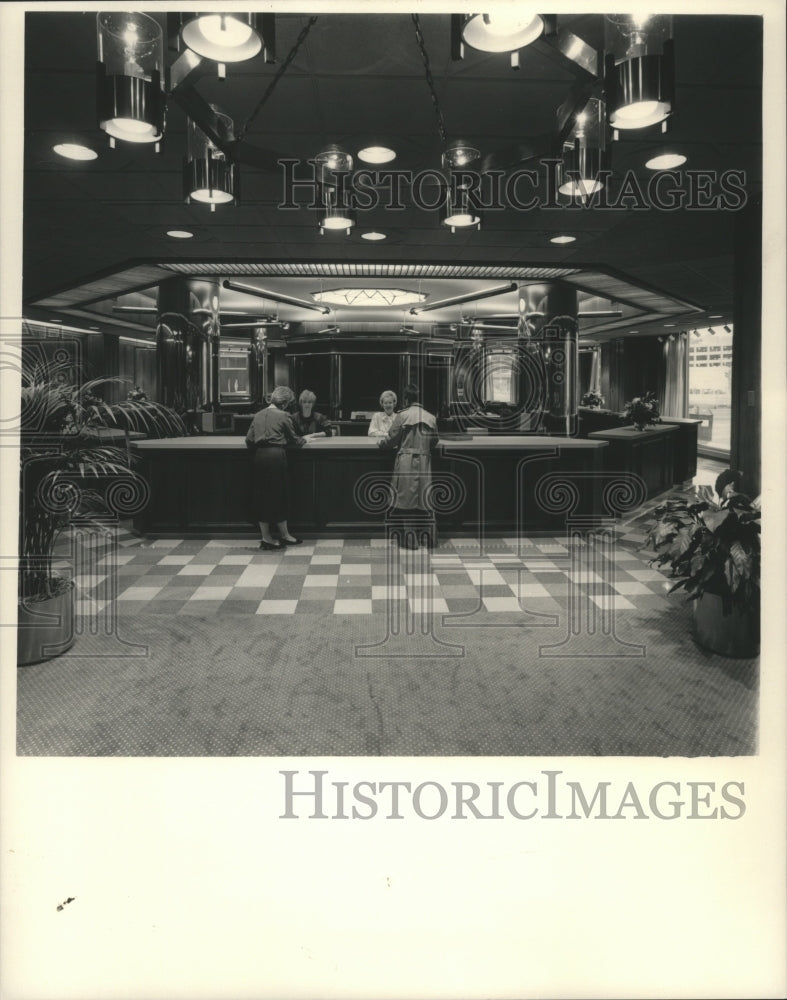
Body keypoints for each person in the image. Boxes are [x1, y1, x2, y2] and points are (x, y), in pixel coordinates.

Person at [377, 383, 439, 549]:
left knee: (406, 501)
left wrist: (381, 444)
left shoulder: (402, 416)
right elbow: (434, 441)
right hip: (425, 461)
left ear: (405, 399)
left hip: (406, 461)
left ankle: (411, 542)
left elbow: (391, 440)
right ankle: (432, 540)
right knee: (425, 500)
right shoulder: (431, 417)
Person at [245, 385, 306, 549]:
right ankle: (285, 535)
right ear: (285, 403)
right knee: (280, 495)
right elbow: (295, 440)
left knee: (262, 496)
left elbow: (249, 440)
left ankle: (267, 538)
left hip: (259, 457)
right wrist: (304, 439)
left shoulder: (258, 415)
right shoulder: (284, 415)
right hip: (276, 456)